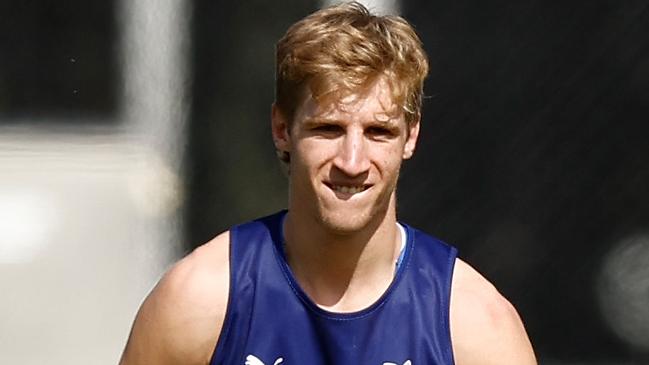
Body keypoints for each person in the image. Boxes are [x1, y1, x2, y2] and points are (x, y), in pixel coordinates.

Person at [119, 2, 536, 364]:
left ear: (410, 137)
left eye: (378, 132)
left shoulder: (473, 325)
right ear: (282, 128)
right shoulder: (202, 301)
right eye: (329, 129)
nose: (352, 162)